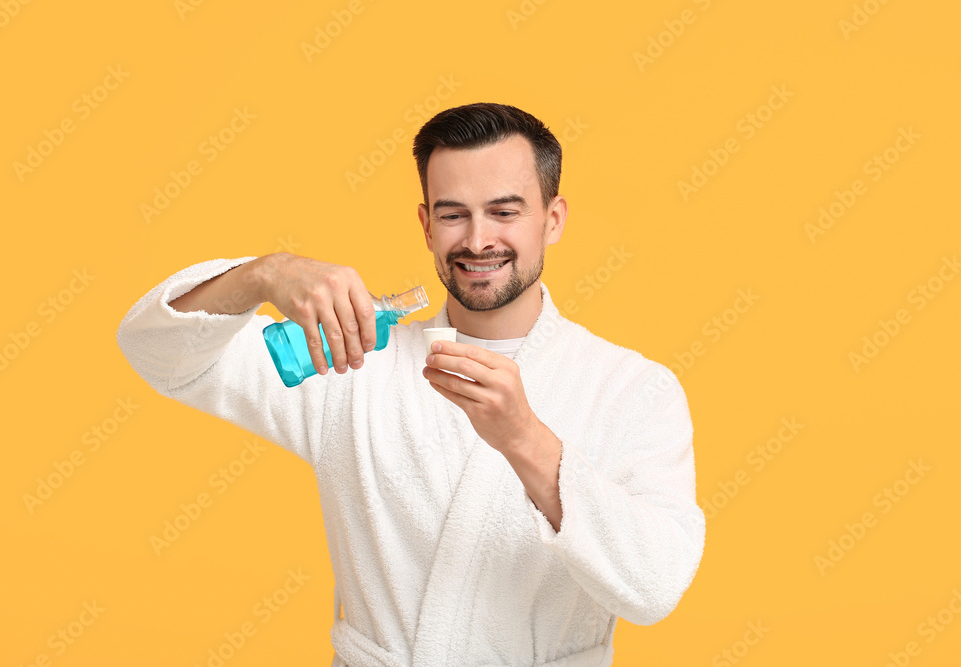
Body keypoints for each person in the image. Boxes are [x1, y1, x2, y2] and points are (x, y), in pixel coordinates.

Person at [116, 102, 705, 666]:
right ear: (426, 225)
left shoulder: (633, 390)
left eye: (504, 212)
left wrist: (524, 437)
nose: (477, 240)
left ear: (551, 220)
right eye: (453, 214)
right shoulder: (353, 363)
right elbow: (158, 351)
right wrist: (263, 274)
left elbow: (655, 587)